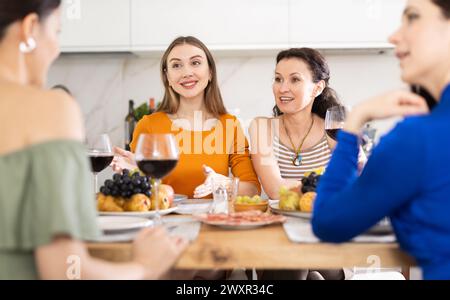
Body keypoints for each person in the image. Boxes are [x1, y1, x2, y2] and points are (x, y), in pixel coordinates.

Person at [0, 0, 187, 280]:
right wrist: (145, 268)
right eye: (57, 31)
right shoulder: (50, 108)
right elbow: (67, 271)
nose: (56, 48)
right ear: (30, 28)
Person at [312, 0, 449, 280]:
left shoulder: (416, 137)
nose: (393, 35)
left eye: (412, 18)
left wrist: (354, 122)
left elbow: (329, 222)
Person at [112, 36, 260, 199]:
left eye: (195, 63)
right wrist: (135, 173)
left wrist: (224, 184)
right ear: (167, 77)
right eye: (176, 65)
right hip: (167, 222)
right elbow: (139, 197)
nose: (186, 72)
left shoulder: (229, 125)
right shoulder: (149, 126)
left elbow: (252, 190)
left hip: (214, 221)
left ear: (210, 72)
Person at [248, 48, 346, 280]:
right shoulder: (261, 127)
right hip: (276, 241)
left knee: (312, 265)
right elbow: (274, 189)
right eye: (278, 79)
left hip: (326, 238)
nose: (282, 88)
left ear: (317, 88)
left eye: (295, 80)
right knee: (293, 263)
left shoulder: (334, 128)